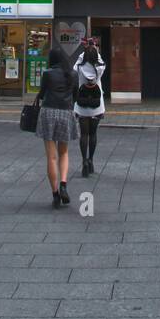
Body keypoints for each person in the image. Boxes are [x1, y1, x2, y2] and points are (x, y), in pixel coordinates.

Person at [35, 47, 78, 208]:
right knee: (64, 153)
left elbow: (42, 93)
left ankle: (55, 194)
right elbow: (76, 95)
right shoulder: (73, 74)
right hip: (66, 112)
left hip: (49, 113)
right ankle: (64, 184)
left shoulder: (48, 74)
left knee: (51, 157)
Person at [73, 41, 105, 175]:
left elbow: (75, 65)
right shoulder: (100, 68)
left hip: (81, 106)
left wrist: (84, 51)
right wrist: (94, 49)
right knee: (93, 134)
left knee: (83, 134)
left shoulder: (79, 68)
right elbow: (100, 60)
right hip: (96, 106)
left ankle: (84, 161)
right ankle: (91, 160)